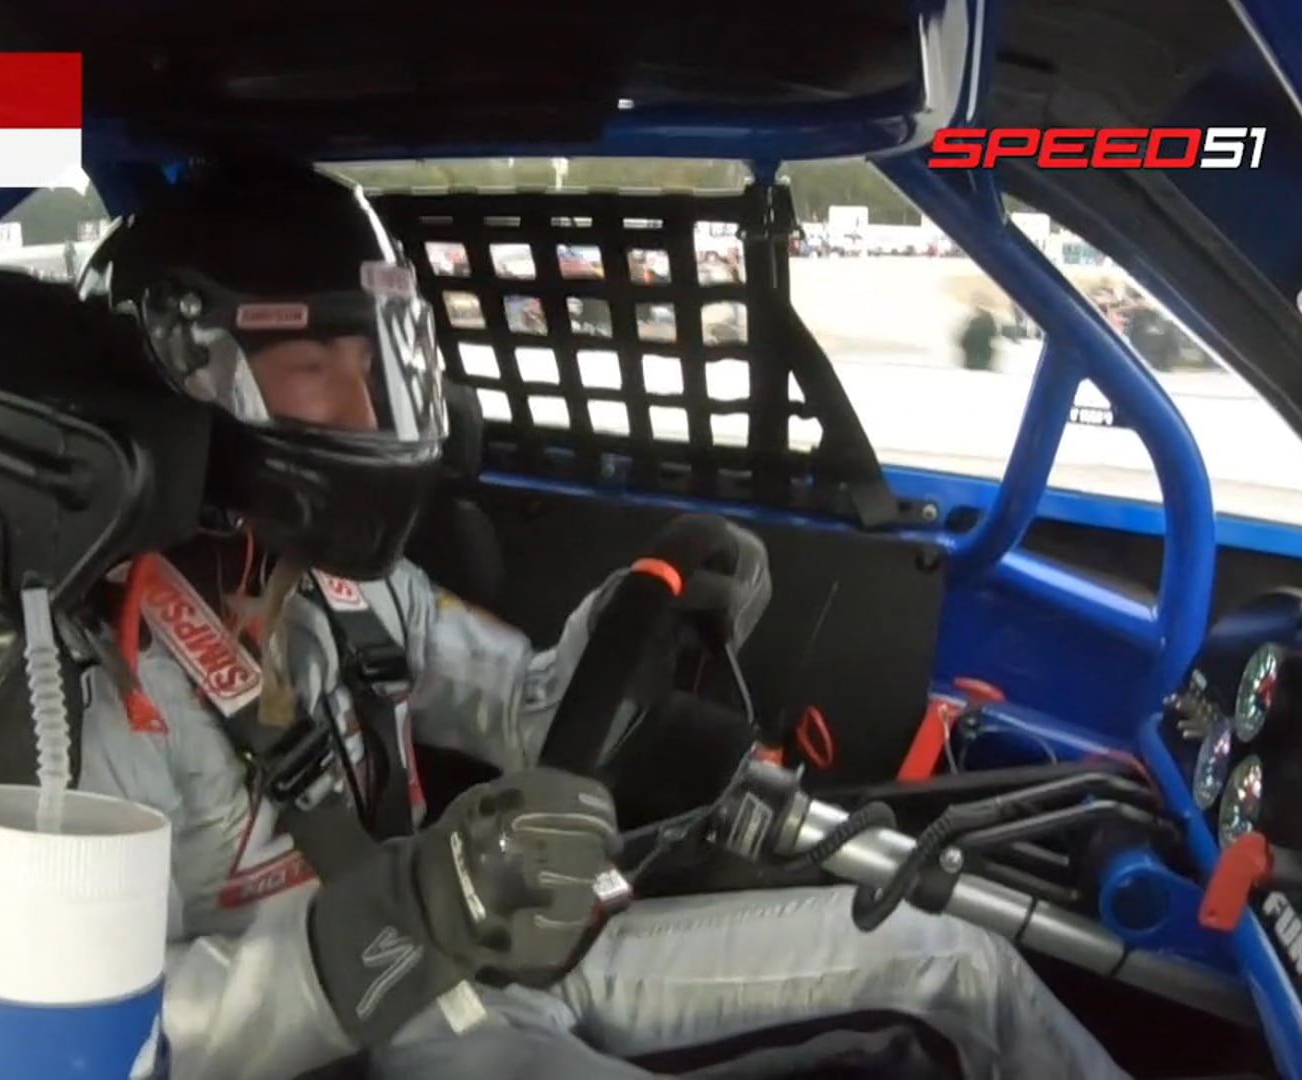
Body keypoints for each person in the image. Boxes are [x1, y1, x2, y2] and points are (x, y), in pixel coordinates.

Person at [72, 158, 1127, 1080]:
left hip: (492, 963)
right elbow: (116, 1049)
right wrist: (405, 913)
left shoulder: (360, 592)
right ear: (190, 377)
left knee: (957, 959)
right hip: (359, 1046)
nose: (366, 415)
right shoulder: (98, 697)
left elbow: (530, 715)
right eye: (316, 370)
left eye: (375, 368)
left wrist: (642, 599)